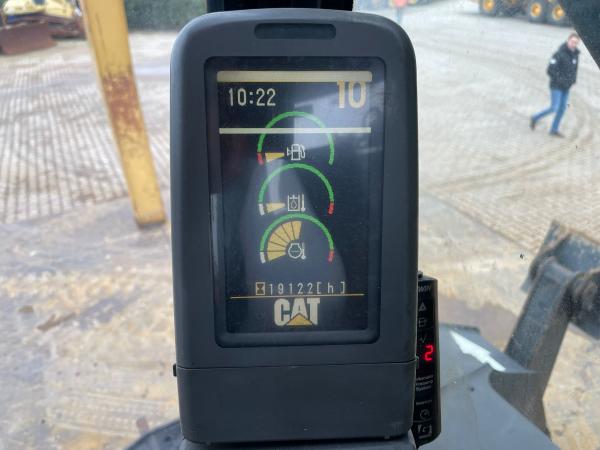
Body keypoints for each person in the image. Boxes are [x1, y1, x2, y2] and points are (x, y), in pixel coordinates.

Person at [530, 33, 581, 137]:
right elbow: (550, 70)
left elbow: (574, 69)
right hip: (556, 86)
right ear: (568, 41)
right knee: (554, 108)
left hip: (566, 87)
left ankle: (554, 129)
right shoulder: (558, 54)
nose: (573, 44)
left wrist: (573, 80)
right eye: (572, 42)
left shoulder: (575, 55)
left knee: (562, 109)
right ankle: (535, 117)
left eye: (576, 43)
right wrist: (561, 81)